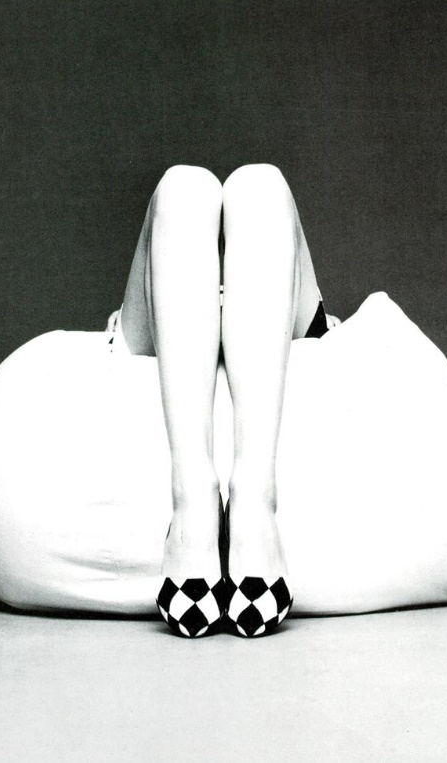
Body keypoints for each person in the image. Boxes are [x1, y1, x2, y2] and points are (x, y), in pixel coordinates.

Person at [107, 164, 340, 638]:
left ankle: (253, 503)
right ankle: (193, 502)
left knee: (261, 186)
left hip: (277, 308)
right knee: (183, 187)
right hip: (160, 317)